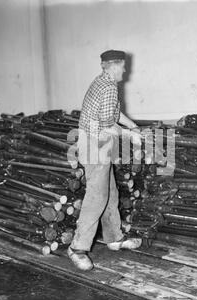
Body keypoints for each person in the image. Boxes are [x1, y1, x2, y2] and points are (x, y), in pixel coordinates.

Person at [67, 50, 142, 271]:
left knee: (110, 192)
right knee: (97, 197)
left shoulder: (103, 82)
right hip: (93, 146)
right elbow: (107, 125)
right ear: (112, 66)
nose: (125, 70)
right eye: (123, 66)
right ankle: (77, 249)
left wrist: (133, 126)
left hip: (97, 144)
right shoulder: (108, 87)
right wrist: (132, 135)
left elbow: (113, 115)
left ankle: (114, 238)